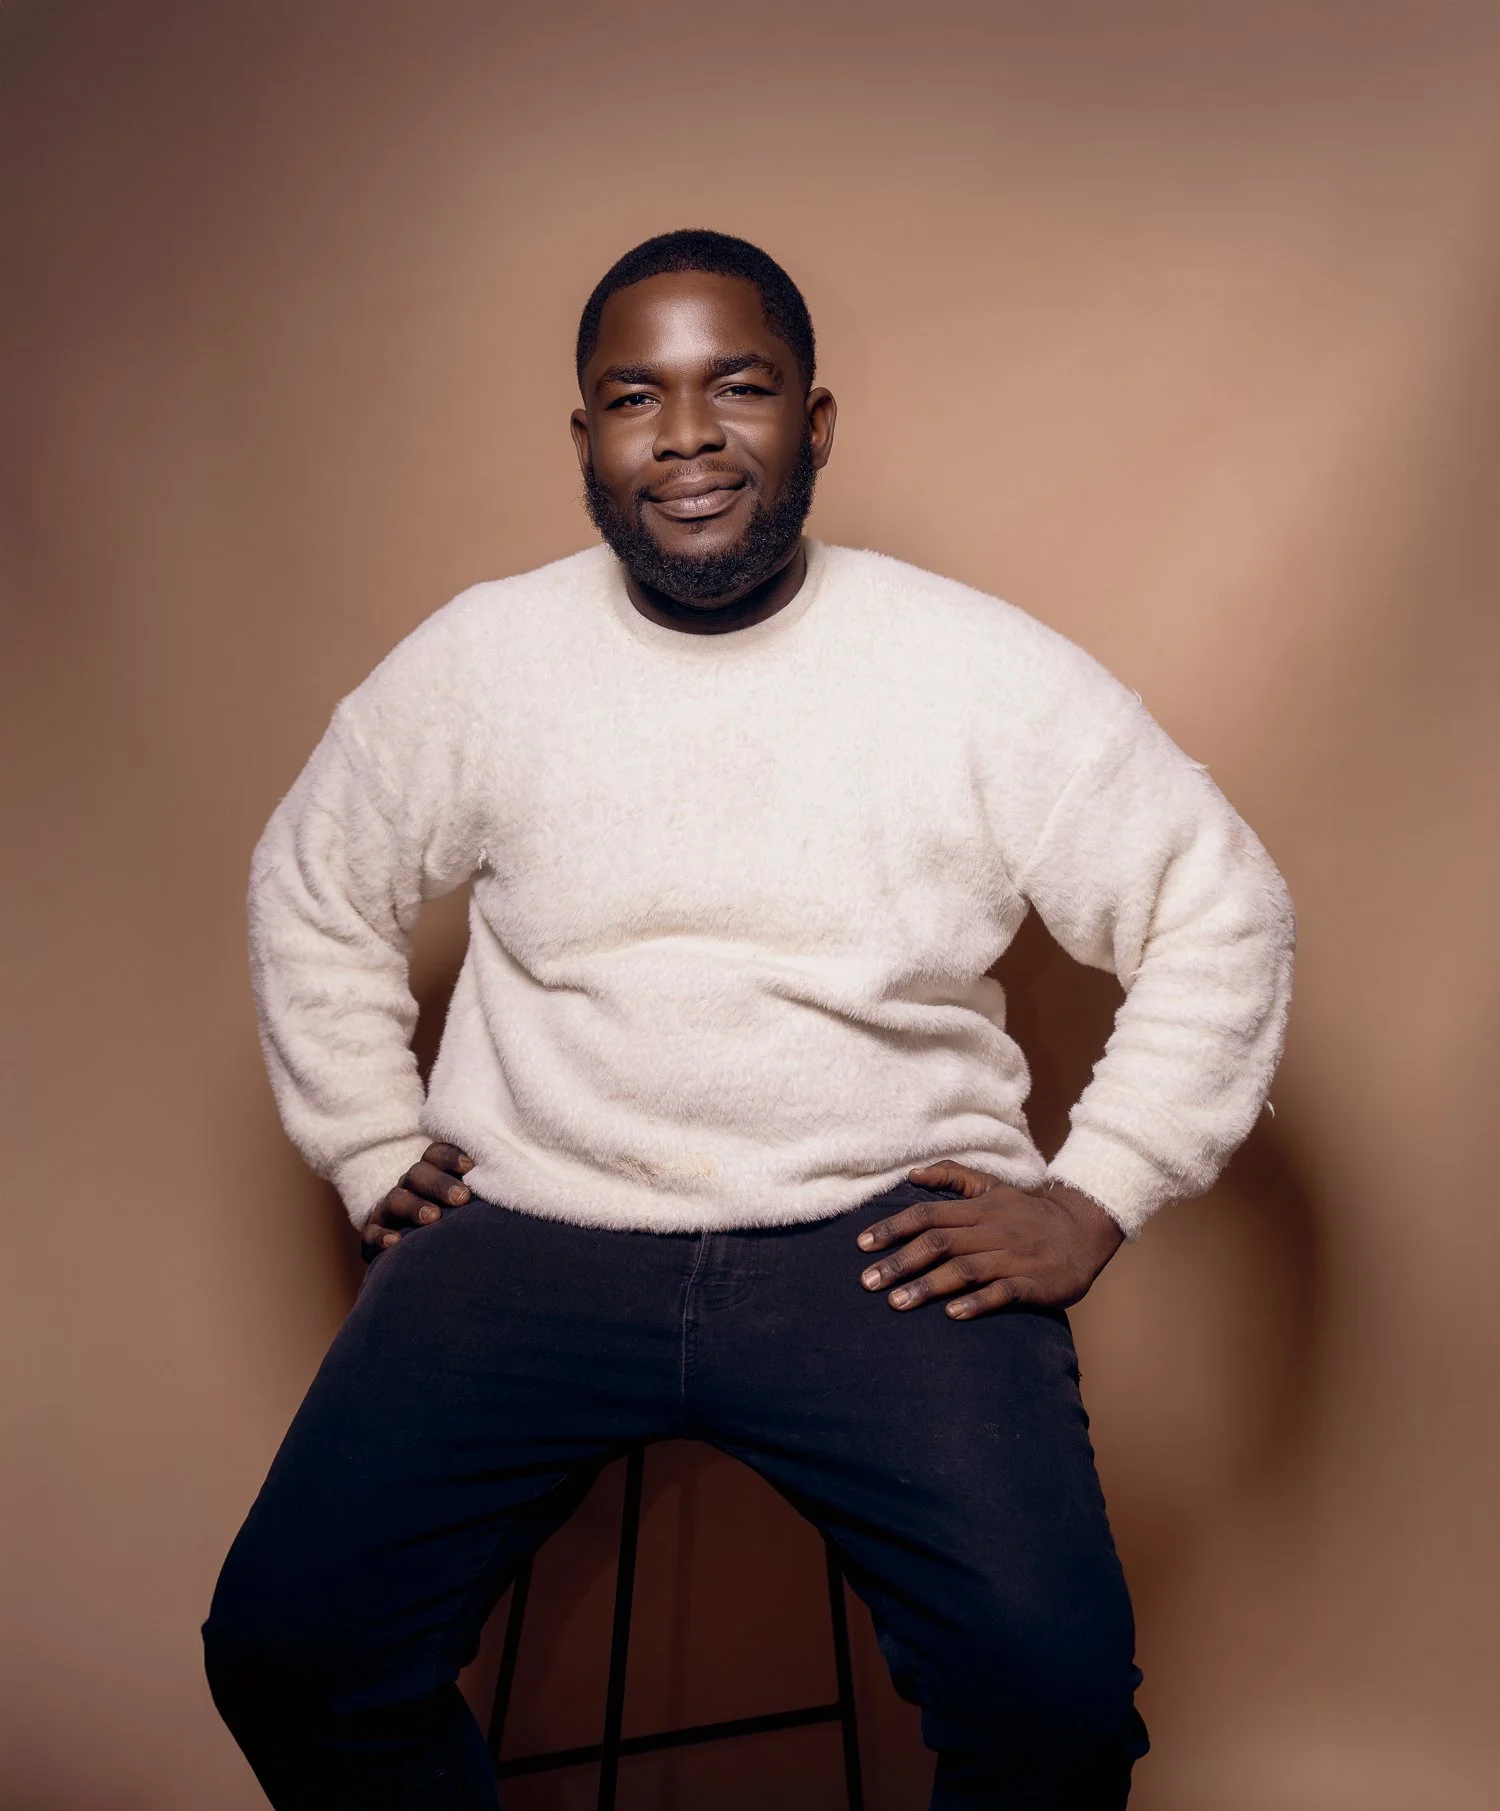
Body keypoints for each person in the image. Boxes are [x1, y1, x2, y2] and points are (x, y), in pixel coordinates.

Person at [203, 229, 1294, 1810]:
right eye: (636, 396)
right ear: (585, 438)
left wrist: (1098, 1187)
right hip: (533, 1223)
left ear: (817, 423)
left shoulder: (972, 667)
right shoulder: (483, 661)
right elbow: (313, 878)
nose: (691, 435)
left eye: (743, 386)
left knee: (1051, 1708)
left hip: (878, 1240)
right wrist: (370, 1135)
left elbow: (1220, 900)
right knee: (292, 1654)